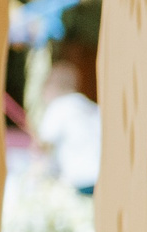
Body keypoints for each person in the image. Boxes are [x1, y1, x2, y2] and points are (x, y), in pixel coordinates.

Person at [34, 59, 99, 193]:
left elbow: (42, 145)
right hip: (101, 172)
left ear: (51, 87)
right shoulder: (85, 104)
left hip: (81, 178)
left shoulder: (58, 107)